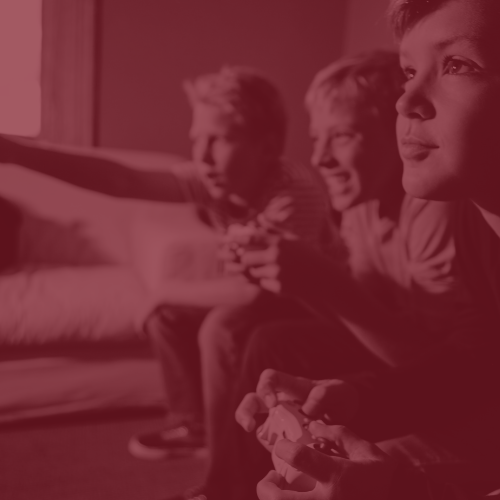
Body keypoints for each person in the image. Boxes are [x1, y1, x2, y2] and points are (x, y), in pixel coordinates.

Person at [184, 50, 486, 500]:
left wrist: (323, 282)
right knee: (269, 340)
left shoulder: (432, 210)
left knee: (256, 335)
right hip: (403, 351)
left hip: (438, 373)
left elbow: (443, 369)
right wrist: (301, 283)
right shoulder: (358, 206)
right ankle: (228, 487)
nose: (320, 158)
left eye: (342, 136)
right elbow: (361, 318)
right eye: (315, 139)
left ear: (400, 131)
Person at [0, 66, 335, 461]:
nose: (202, 156)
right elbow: (122, 181)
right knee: (169, 317)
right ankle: (195, 427)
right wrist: (18, 154)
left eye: (220, 139)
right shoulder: (216, 180)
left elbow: (258, 291)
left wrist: (165, 291)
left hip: (315, 304)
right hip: (267, 293)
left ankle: (227, 457)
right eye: (197, 139)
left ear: (267, 145)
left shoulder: (292, 193)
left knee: (220, 326)